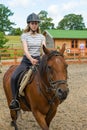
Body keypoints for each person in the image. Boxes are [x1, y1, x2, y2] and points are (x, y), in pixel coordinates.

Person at [9, 13, 46, 110]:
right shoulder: (24, 36)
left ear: (38, 25)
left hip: (38, 60)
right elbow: (25, 50)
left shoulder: (42, 37)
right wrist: (31, 59)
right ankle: (15, 100)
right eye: (32, 23)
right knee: (13, 77)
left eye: (36, 23)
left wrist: (45, 56)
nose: (34, 25)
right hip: (26, 61)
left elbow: (44, 48)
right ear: (29, 24)